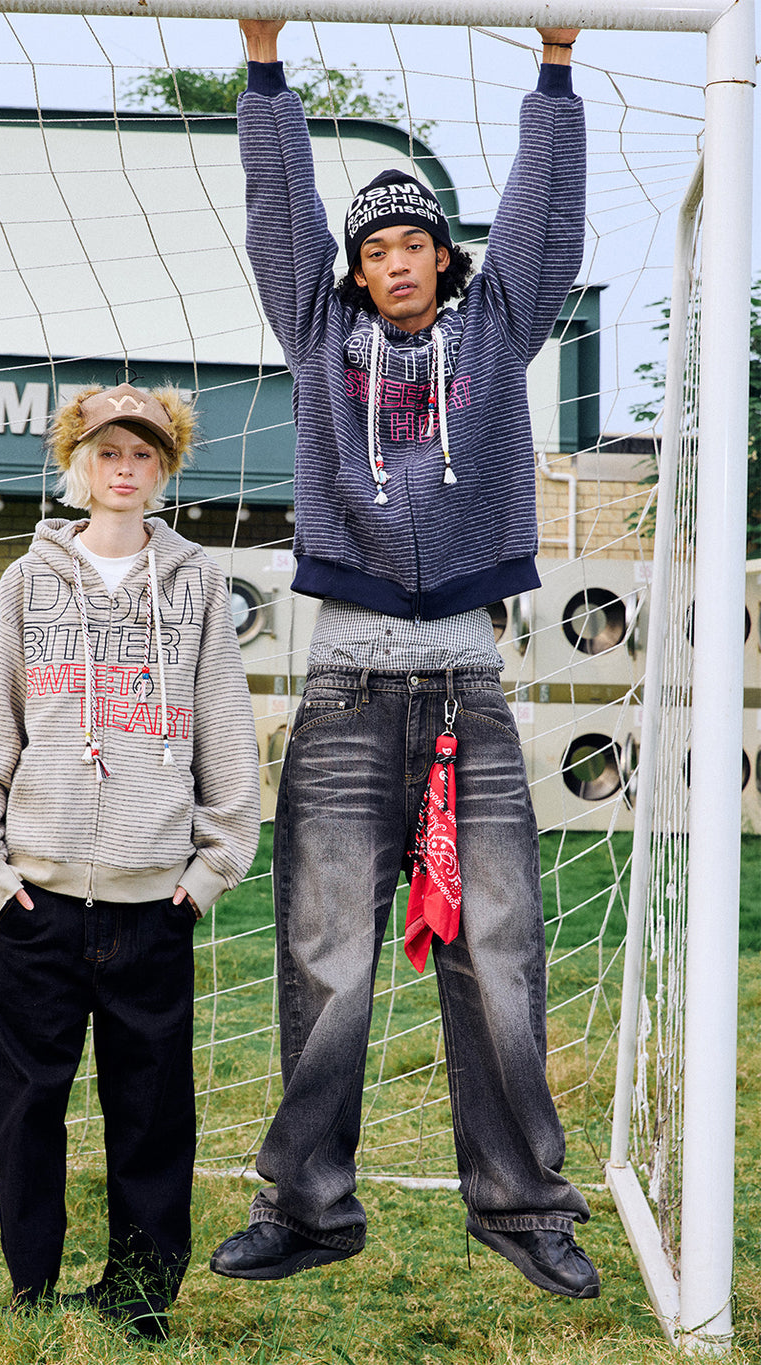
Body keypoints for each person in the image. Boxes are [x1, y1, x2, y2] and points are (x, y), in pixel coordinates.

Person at [209, 19, 600, 1301]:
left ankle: (521, 1206)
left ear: (442, 256)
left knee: (502, 949)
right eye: (372, 250)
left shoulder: (497, 331)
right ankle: (307, 1209)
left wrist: (553, 71)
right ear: (356, 269)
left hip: (465, 689)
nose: (392, 265)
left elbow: (542, 227)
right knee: (326, 961)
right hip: (345, 687)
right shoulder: (317, 338)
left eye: (411, 245)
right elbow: (279, 218)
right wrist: (265, 68)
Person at [0, 381, 261, 1339]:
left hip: (153, 905)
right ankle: (31, 1287)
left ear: (165, 469)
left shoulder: (198, 585)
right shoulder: (26, 581)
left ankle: (141, 1296)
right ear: (76, 465)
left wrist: (206, 874)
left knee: (152, 1112)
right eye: (107, 452)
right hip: (37, 905)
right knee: (26, 1106)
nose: (125, 469)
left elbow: (226, 734)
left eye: (143, 454)